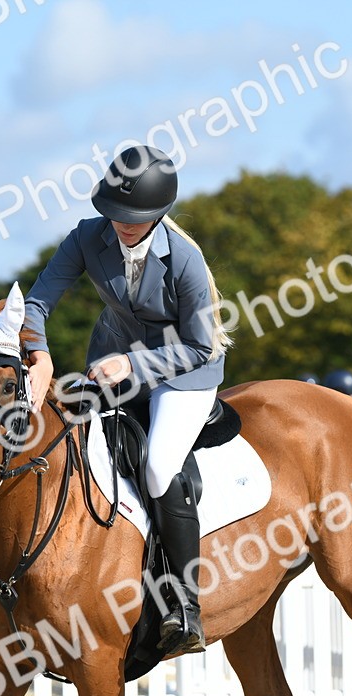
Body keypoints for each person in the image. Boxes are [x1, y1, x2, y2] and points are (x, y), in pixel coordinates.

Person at [22, 145, 231, 657]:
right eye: (114, 215)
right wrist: (39, 353)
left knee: (159, 465)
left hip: (184, 372)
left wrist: (134, 366)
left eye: (134, 219)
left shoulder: (185, 260)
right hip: (111, 361)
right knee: (66, 440)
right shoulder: (87, 238)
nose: (122, 226)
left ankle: (184, 607)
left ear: (159, 214)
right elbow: (37, 301)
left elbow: (201, 344)